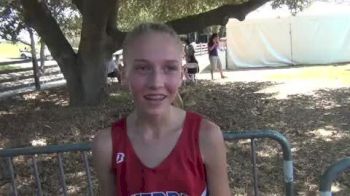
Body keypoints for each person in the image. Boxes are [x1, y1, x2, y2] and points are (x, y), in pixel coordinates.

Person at [92, 23, 231, 196]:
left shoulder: (206, 136)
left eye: (170, 68)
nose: (156, 83)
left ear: (181, 75)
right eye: (143, 68)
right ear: (124, 74)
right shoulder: (107, 145)